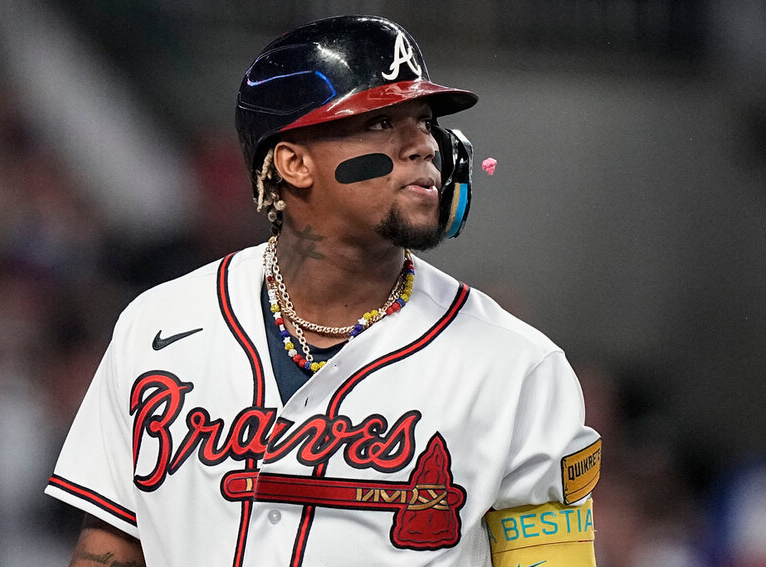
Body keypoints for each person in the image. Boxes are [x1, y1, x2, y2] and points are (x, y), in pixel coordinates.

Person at [46, 15, 601, 567]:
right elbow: (112, 545)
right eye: (380, 122)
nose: (423, 145)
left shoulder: (519, 367)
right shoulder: (159, 325)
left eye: (424, 121)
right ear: (293, 163)